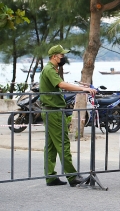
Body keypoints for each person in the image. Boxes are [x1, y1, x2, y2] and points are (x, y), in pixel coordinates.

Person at [40, 44, 97, 187]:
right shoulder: (49, 69)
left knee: (51, 145)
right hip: (53, 111)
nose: (63, 58)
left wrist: (80, 85)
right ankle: (72, 177)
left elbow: (62, 84)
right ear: (54, 57)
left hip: (49, 110)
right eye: (61, 56)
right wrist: (83, 89)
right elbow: (61, 85)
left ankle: (50, 176)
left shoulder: (50, 69)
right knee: (63, 143)